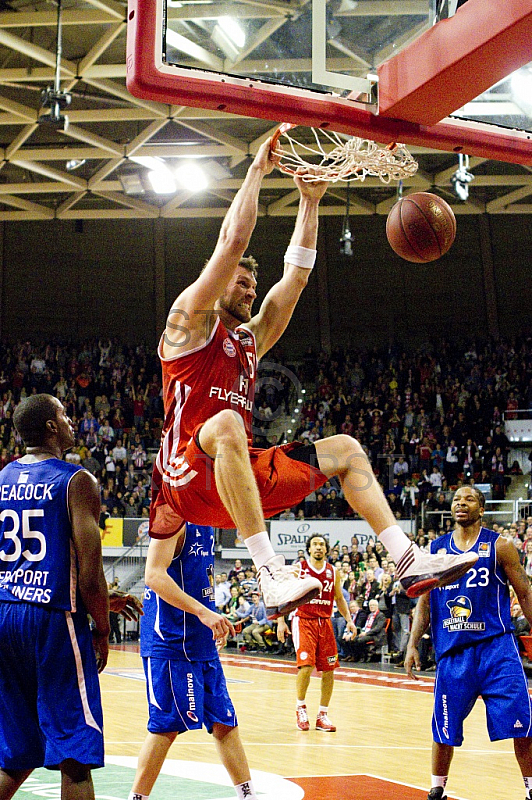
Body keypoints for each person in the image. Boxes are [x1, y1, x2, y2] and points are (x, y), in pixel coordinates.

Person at [148, 137, 477, 619]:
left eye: (252, 285)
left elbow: (295, 280)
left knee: (345, 448)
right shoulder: (187, 323)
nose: (250, 290)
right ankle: (269, 575)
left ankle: (406, 559)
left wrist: (310, 199)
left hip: (238, 482)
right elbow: (231, 243)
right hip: (184, 476)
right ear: (215, 282)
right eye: (241, 282)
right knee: (225, 424)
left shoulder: (249, 343)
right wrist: (258, 170)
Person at [0, 394, 110, 800]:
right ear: (50, 426)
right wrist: (102, 627)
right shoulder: (76, 480)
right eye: (64, 413)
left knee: (18, 752)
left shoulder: (4, 477)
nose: (70, 420)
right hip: (52, 618)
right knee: (75, 753)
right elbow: (90, 575)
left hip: (6, 612)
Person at [405, 485, 532, 800]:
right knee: (444, 728)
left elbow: (525, 593)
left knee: (524, 722)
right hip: (453, 651)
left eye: (469, 499)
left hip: (497, 649)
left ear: (482, 508)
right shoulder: (435, 550)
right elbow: (423, 602)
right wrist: (412, 644)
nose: (461, 503)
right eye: (456, 500)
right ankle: (437, 789)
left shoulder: (500, 547)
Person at [129, 522, 261, 800]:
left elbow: (200, 581)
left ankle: (248, 796)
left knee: (225, 722)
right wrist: (203, 614)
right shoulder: (173, 518)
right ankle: (137, 798)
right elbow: (153, 576)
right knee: (167, 726)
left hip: (200, 641)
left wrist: (213, 622)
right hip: (169, 640)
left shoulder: (208, 522)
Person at [277, 534, 356, 732]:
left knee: (329, 669)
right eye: (315, 544)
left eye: (322, 544)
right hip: (303, 619)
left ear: (326, 549)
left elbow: (339, 598)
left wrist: (349, 621)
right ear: (309, 549)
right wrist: (280, 621)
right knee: (306, 666)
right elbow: (282, 594)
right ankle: (300, 708)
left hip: (325, 622)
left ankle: (322, 714)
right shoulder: (299, 569)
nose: (318, 547)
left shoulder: (333, 572)